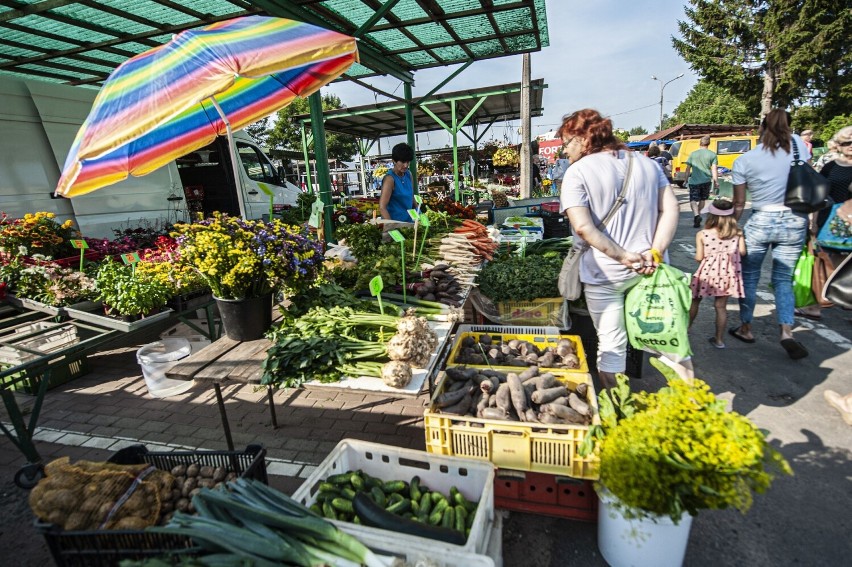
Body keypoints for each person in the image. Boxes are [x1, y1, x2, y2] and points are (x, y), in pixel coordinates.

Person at [558, 109, 680, 389]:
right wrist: (656, 251)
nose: (565, 152)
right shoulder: (646, 164)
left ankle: (617, 403)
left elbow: (583, 228)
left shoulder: (577, 172)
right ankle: (689, 400)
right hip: (653, 270)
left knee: (611, 345)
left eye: (567, 143)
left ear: (582, 138)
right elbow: (670, 207)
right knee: (667, 340)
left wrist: (623, 256)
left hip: (607, 273)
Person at [730, 109, 811, 360]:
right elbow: (806, 179)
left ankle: (746, 328)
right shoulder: (798, 146)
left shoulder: (746, 160)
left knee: (750, 277)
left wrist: (731, 226)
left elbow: (740, 203)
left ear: (760, 129)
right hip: (795, 219)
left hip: (761, 218)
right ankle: (786, 332)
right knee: (783, 278)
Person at [795, 125, 852, 320]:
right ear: (838, 145)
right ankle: (816, 304)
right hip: (830, 220)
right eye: (846, 143)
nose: (850, 146)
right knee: (824, 261)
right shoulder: (831, 166)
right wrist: (814, 222)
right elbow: (820, 194)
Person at [688, 199, 746, 348]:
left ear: (711, 216)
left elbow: (699, 258)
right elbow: (743, 252)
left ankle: (685, 331)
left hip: (707, 273)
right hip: (728, 274)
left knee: (695, 301)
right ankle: (719, 340)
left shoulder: (702, 234)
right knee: (721, 307)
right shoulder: (738, 233)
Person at [684, 136, 719, 227]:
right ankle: (698, 214)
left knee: (693, 200)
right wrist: (716, 181)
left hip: (694, 181)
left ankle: (696, 215)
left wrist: (685, 179)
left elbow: (687, 169)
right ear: (708, 144)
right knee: (703, 199)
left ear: (700, 143)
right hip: (706, 180)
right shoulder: (712, 155)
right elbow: (714, 169)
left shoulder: (693, 154)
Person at [379, 143, 415, 222]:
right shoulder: (390, 179)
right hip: (395, 223)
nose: (405, 165)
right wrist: (392, 227)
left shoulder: (409, 174)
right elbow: (382, 207)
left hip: (410, 222)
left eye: (408, 162)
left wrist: (421, 215)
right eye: (402, 162)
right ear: (394, 161)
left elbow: (412, 198)